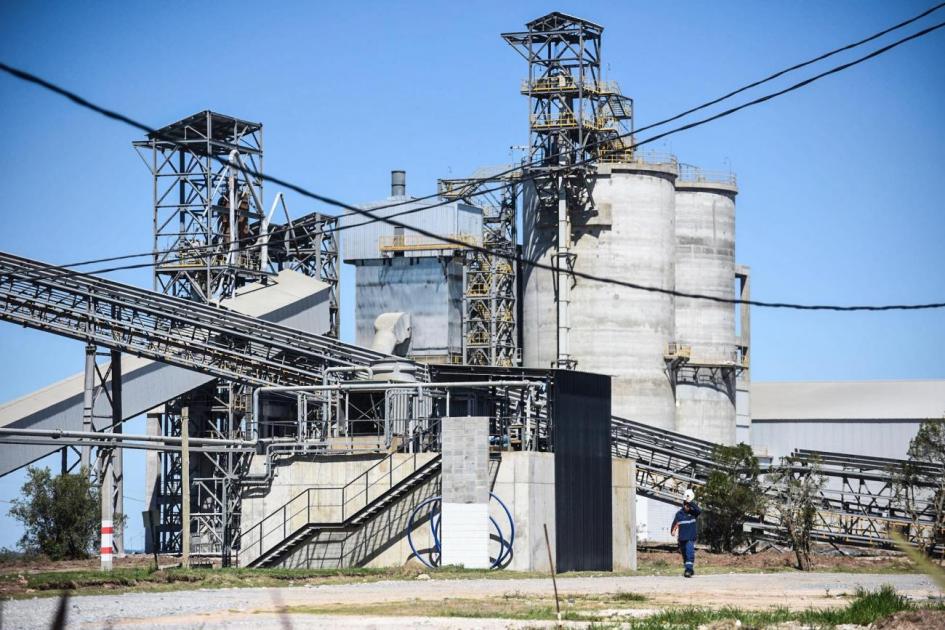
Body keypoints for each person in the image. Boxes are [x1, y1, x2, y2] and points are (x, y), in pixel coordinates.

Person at [670, 488, 702, 577]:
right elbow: (674, 524)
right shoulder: (679, 514)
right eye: (686, 505)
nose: (687, 507)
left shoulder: (693, 513)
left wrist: (690, 502)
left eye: (688, 505)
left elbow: (699, 510)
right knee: (685, 555)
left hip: (690, 538)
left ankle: (688, 570)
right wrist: (672, 531)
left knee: (689, 553)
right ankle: (689, 569)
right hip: (682, 538)